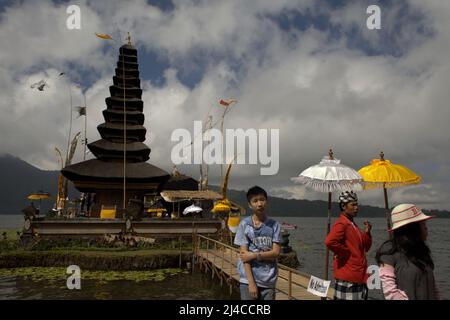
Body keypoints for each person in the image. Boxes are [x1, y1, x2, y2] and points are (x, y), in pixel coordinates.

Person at [376, 204, 441, 300]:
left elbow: (432, 287)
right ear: (411, 228)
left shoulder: (421, 251)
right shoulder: (389, 252)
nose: (426, 228)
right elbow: (390, 293)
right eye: (423, 224)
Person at [234, 186, 281, 300]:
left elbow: (276, 252)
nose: (259, 204)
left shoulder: (275, 225)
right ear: (250, 205)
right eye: (255, 201)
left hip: (268, 280)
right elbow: (244, 256)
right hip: (248, 280)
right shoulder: (244, 225)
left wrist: (254, 255)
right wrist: (251, 283)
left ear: (267, 201)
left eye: (262, 199)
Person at [325, 191, 372, 300]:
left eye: (357, 204)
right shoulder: (342, 223)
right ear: (343, 206)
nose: (356, 208)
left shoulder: (352, 224)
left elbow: (366, 247)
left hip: (357, 276)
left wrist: (367, 232)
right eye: (353, 205)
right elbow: (329, 241)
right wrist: (345, 253)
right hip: (349, 277)